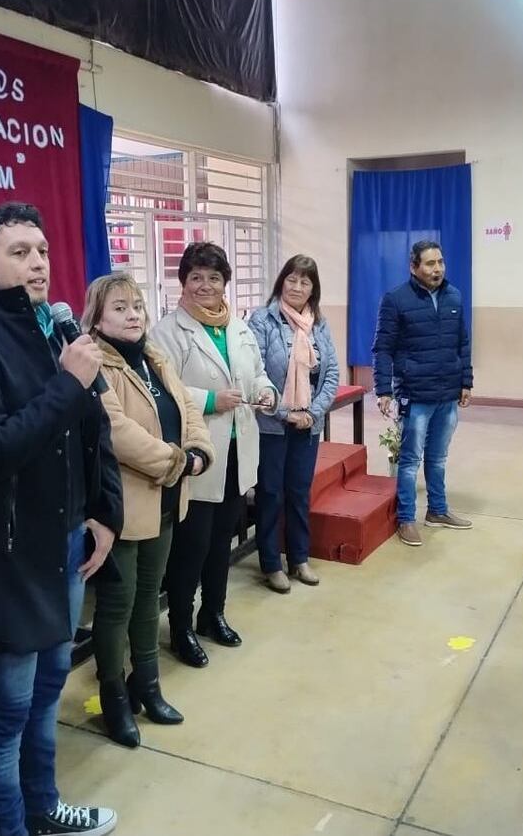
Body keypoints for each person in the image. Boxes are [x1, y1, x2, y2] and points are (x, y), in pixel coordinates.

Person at [0, 203, 122, 836]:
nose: (38, 262)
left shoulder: (54, 332)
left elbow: (93, 433)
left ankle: (44, 808)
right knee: (5, 713)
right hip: (5, 560)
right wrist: (67, 385)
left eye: (41, 249)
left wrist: (103, 513)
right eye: (18, 252)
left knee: (45, 698)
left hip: (63, 546)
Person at [83, 272, 214, 748]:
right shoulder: (94, 364)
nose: (133, 314)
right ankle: (114, 698)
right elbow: (117, 433)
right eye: (120, 307)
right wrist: (177, 462)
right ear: (97, 316)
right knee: (116, 607)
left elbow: (188, 412)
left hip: (165, 499)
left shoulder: (155, 358)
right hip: (121, 507)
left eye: (137, 305)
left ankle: (148, 685)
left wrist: (198, 449)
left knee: (147, 600)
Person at [150, 242, 277, 668]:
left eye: (214, 277)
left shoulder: (238, 327)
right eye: (196, 277)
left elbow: (257, 371)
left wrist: (266, 391)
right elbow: (161, 389)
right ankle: (182, 627)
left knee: (222, 540)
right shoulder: (168, 331)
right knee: (192, 546)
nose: (206, 286)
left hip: (239, 451)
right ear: (183, 281)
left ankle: (213, 614)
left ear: (226, 282)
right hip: (199, 454)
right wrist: (209, 400)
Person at [372, 240, 474, 547]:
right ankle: (406, 518)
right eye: (430, 263)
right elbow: (383, 348)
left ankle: (438, 510)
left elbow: (463, 343)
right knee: (410, 459)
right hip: (415, 395)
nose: (437, 269)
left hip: (447, 392)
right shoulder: (396, 300)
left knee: (438, 457)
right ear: (414, 267)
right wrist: (383, 390)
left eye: (440, 262)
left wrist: (466, 381)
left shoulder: (454, 295)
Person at [248, 255, 340, 592]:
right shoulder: (262, 320)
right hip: (272, 424)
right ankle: (271, 563)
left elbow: (331, 373)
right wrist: (285, 413)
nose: (297, 287)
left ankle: (299, 558)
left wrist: (313, 413)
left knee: (299, 493)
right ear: (281, 281)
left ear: (313, 288)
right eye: (292, 279)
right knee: (271, 494)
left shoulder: (319, 323)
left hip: (308, 425)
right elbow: (254, 373)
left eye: (305, 281)